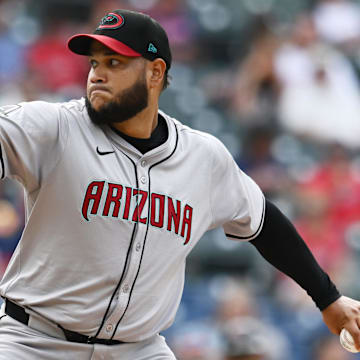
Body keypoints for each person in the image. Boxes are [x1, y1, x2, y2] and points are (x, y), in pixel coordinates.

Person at [0, 9, 359, 360]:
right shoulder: (54, 128)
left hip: (138, 349)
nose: (97, 75)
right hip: (33, 340)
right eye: (95, 63)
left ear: (156, 72)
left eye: (115, 63)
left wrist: (327, 298)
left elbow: (265, 224)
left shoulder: (202, 157)